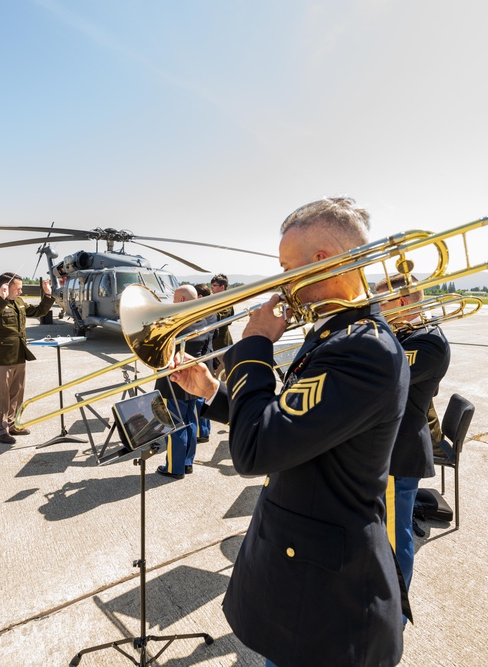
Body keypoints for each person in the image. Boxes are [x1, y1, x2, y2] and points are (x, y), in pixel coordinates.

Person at [170, 196, 409, 667]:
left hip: (325, 596)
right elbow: (285, 424)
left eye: (285, 267)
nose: (281, 281)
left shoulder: (365, 349)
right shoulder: (337, 335)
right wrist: (214, 390)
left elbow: (255, 450)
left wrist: (254, 346)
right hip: (302, 572)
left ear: (322, 262)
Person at [376, 274, 451, 618]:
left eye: (382, 303)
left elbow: (383, 374)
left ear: (404, 304)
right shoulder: (402, 334)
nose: (376, 309)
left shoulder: (429, 342)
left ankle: (395, 615)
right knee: (381, 534)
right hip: (382, 450)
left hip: (399, 453)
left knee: (394, 539)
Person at [0, 272, 54, 444]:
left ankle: (12, 424)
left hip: (19, 354)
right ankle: (0, 430)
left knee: (16, 394)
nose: (20, 292)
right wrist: (1, 299)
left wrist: (48, 294)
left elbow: (39, 311)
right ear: (4, 287)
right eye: (18, 289)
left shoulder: (18, 302)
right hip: (0, 357)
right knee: (0, 395)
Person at [153, 285, 211, 478]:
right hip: (194, 381)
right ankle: (187, 463)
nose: (173, 302)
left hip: (174, 381)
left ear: (182, 300)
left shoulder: (173, 324)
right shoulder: (203, 321)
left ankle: (174, 467)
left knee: (175, 424)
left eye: (175, 299)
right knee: (190, 421)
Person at [193, 283, 214, 444]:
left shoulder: (200, 315)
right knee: (203, 397)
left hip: (201, 357)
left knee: (198, 398)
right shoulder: (211, 311)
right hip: (208, 355)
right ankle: (205, 430)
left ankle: (201, 432)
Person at [209, 273, 234, 377]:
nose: (212, 289)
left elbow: (221, 318)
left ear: (222, 287)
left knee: (222, 377)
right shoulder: (214, 300)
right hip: (212, 347)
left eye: (214, 286)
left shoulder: (226, 301)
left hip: (221, 346)